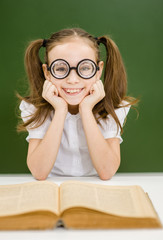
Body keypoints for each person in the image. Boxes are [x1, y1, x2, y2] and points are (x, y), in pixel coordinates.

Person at [17, 28, 137, 180]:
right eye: (61, 68)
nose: (72, 80)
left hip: (96, 189)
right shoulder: (34, 109)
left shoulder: (113, 108)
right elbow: (39, 173)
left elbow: (107, 172)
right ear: (47, 72)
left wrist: (86, 109)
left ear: (98, 71)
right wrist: (60, 110)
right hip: (52, 187)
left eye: (85, 68)